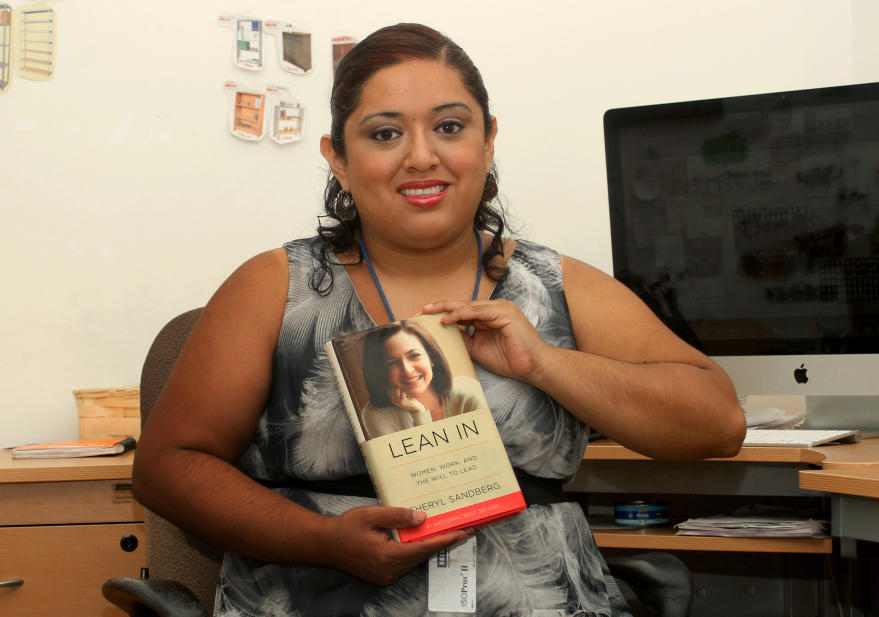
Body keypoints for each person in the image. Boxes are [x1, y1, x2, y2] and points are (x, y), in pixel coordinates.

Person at [133, 22, 746, 617]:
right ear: (338, 159)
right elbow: (167, 468)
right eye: (384, 134)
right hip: (315, 592)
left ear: (488, 141)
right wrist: (324, 539)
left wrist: (547, 363)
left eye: (449, 127)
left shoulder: (559, 286)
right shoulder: (273, 287)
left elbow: (718, 424)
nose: (421, 157)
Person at [359, 320, 485, 438]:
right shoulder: (375, 414)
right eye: (392, 363)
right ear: (382, 371)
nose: (407, 370)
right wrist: (418, 413)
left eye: (414, 355)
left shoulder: (469, 391)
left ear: (431, 357)